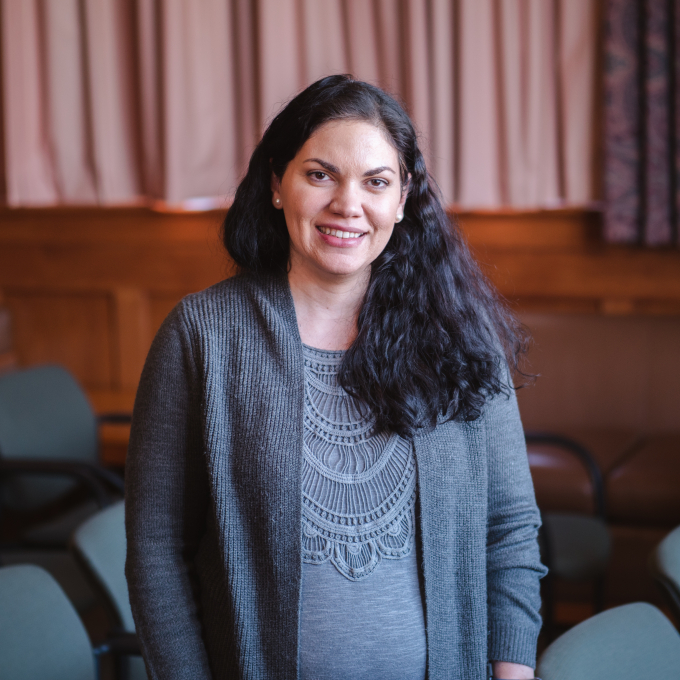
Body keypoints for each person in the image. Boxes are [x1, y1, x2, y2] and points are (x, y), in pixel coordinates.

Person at [125, 75, 546, 680]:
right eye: (320, 174)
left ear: (402, 201)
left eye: (376, 182)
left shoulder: (462, 336)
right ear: (276, 184)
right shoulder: (202, 336)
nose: (348, 204)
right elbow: (158, 552)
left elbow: (508, 531)